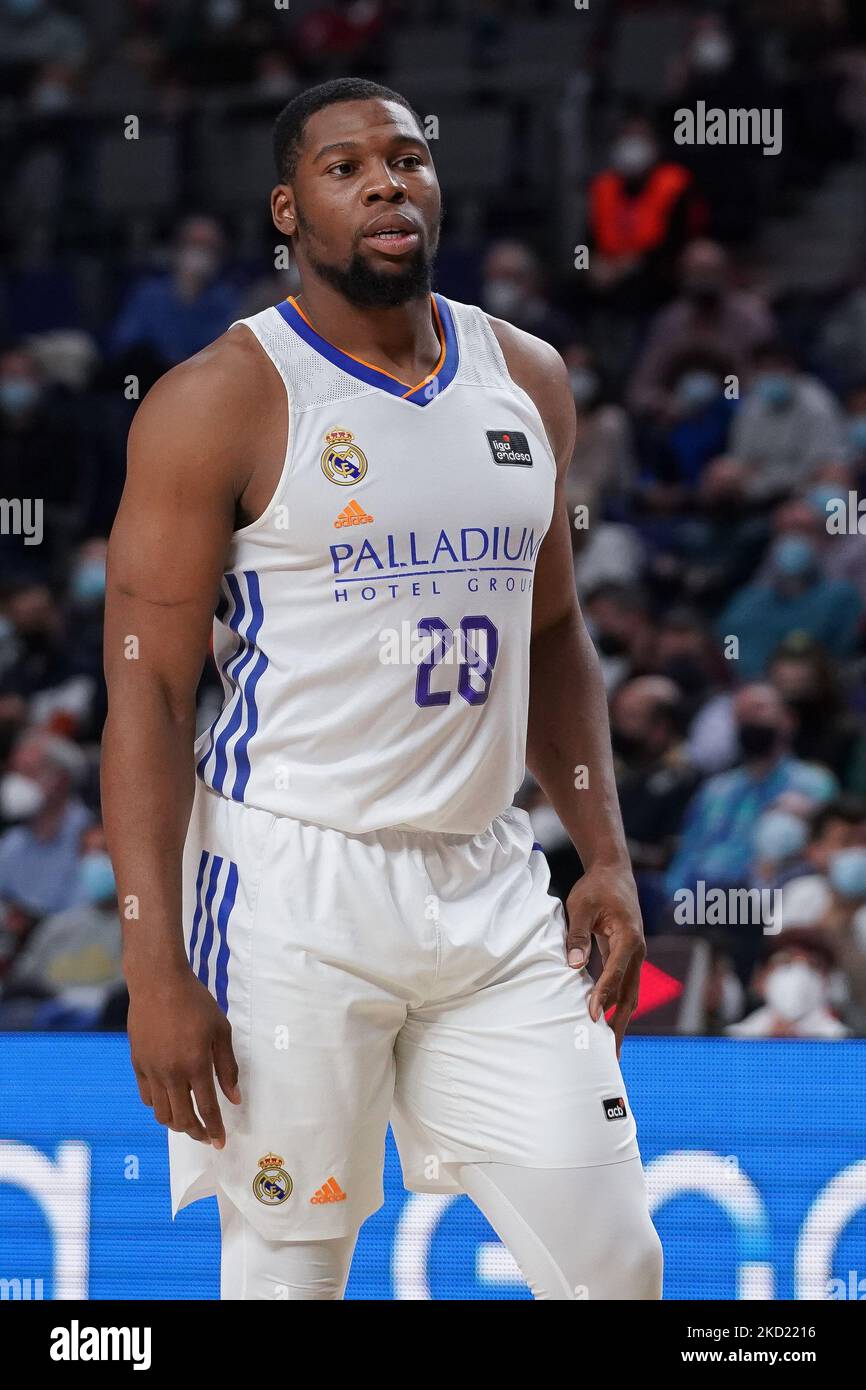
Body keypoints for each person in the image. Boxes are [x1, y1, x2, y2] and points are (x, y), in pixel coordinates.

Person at [102, 78, 662, 1303]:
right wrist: (154, 966)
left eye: (405, 159)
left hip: (489, 881)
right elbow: (144, 698)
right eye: (345, 167)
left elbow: (555, 627)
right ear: (288, 209)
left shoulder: (526, 375)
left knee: (617, 1264)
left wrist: (603, 856)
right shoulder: (219, 400)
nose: (385, 183)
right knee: (291, 1276)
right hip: (292, 887)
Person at [730, 339, 847, 502]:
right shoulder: (752, 402)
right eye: (762, 369)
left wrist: (761, 482)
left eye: (775, 368)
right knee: (720, 476)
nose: (769, 375)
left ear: (792, 369)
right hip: (757, 489)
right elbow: (741, 459)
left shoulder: (816, 403)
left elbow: (823, 467)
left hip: (804, 491)